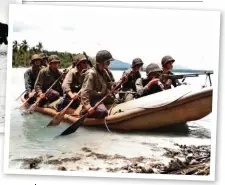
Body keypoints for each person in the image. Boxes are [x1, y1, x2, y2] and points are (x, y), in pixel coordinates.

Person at [80, 50, 114, 118]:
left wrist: (116, 83)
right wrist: (88, 107)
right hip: (93, 98)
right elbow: (84, 92)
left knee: (116, 101)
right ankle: (84, 113)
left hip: (101, 96)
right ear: (102, 62)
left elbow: (106, 84)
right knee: (103, 112)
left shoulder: (103, 71)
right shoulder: (91, 73)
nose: (109, 64)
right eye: (107, 62)